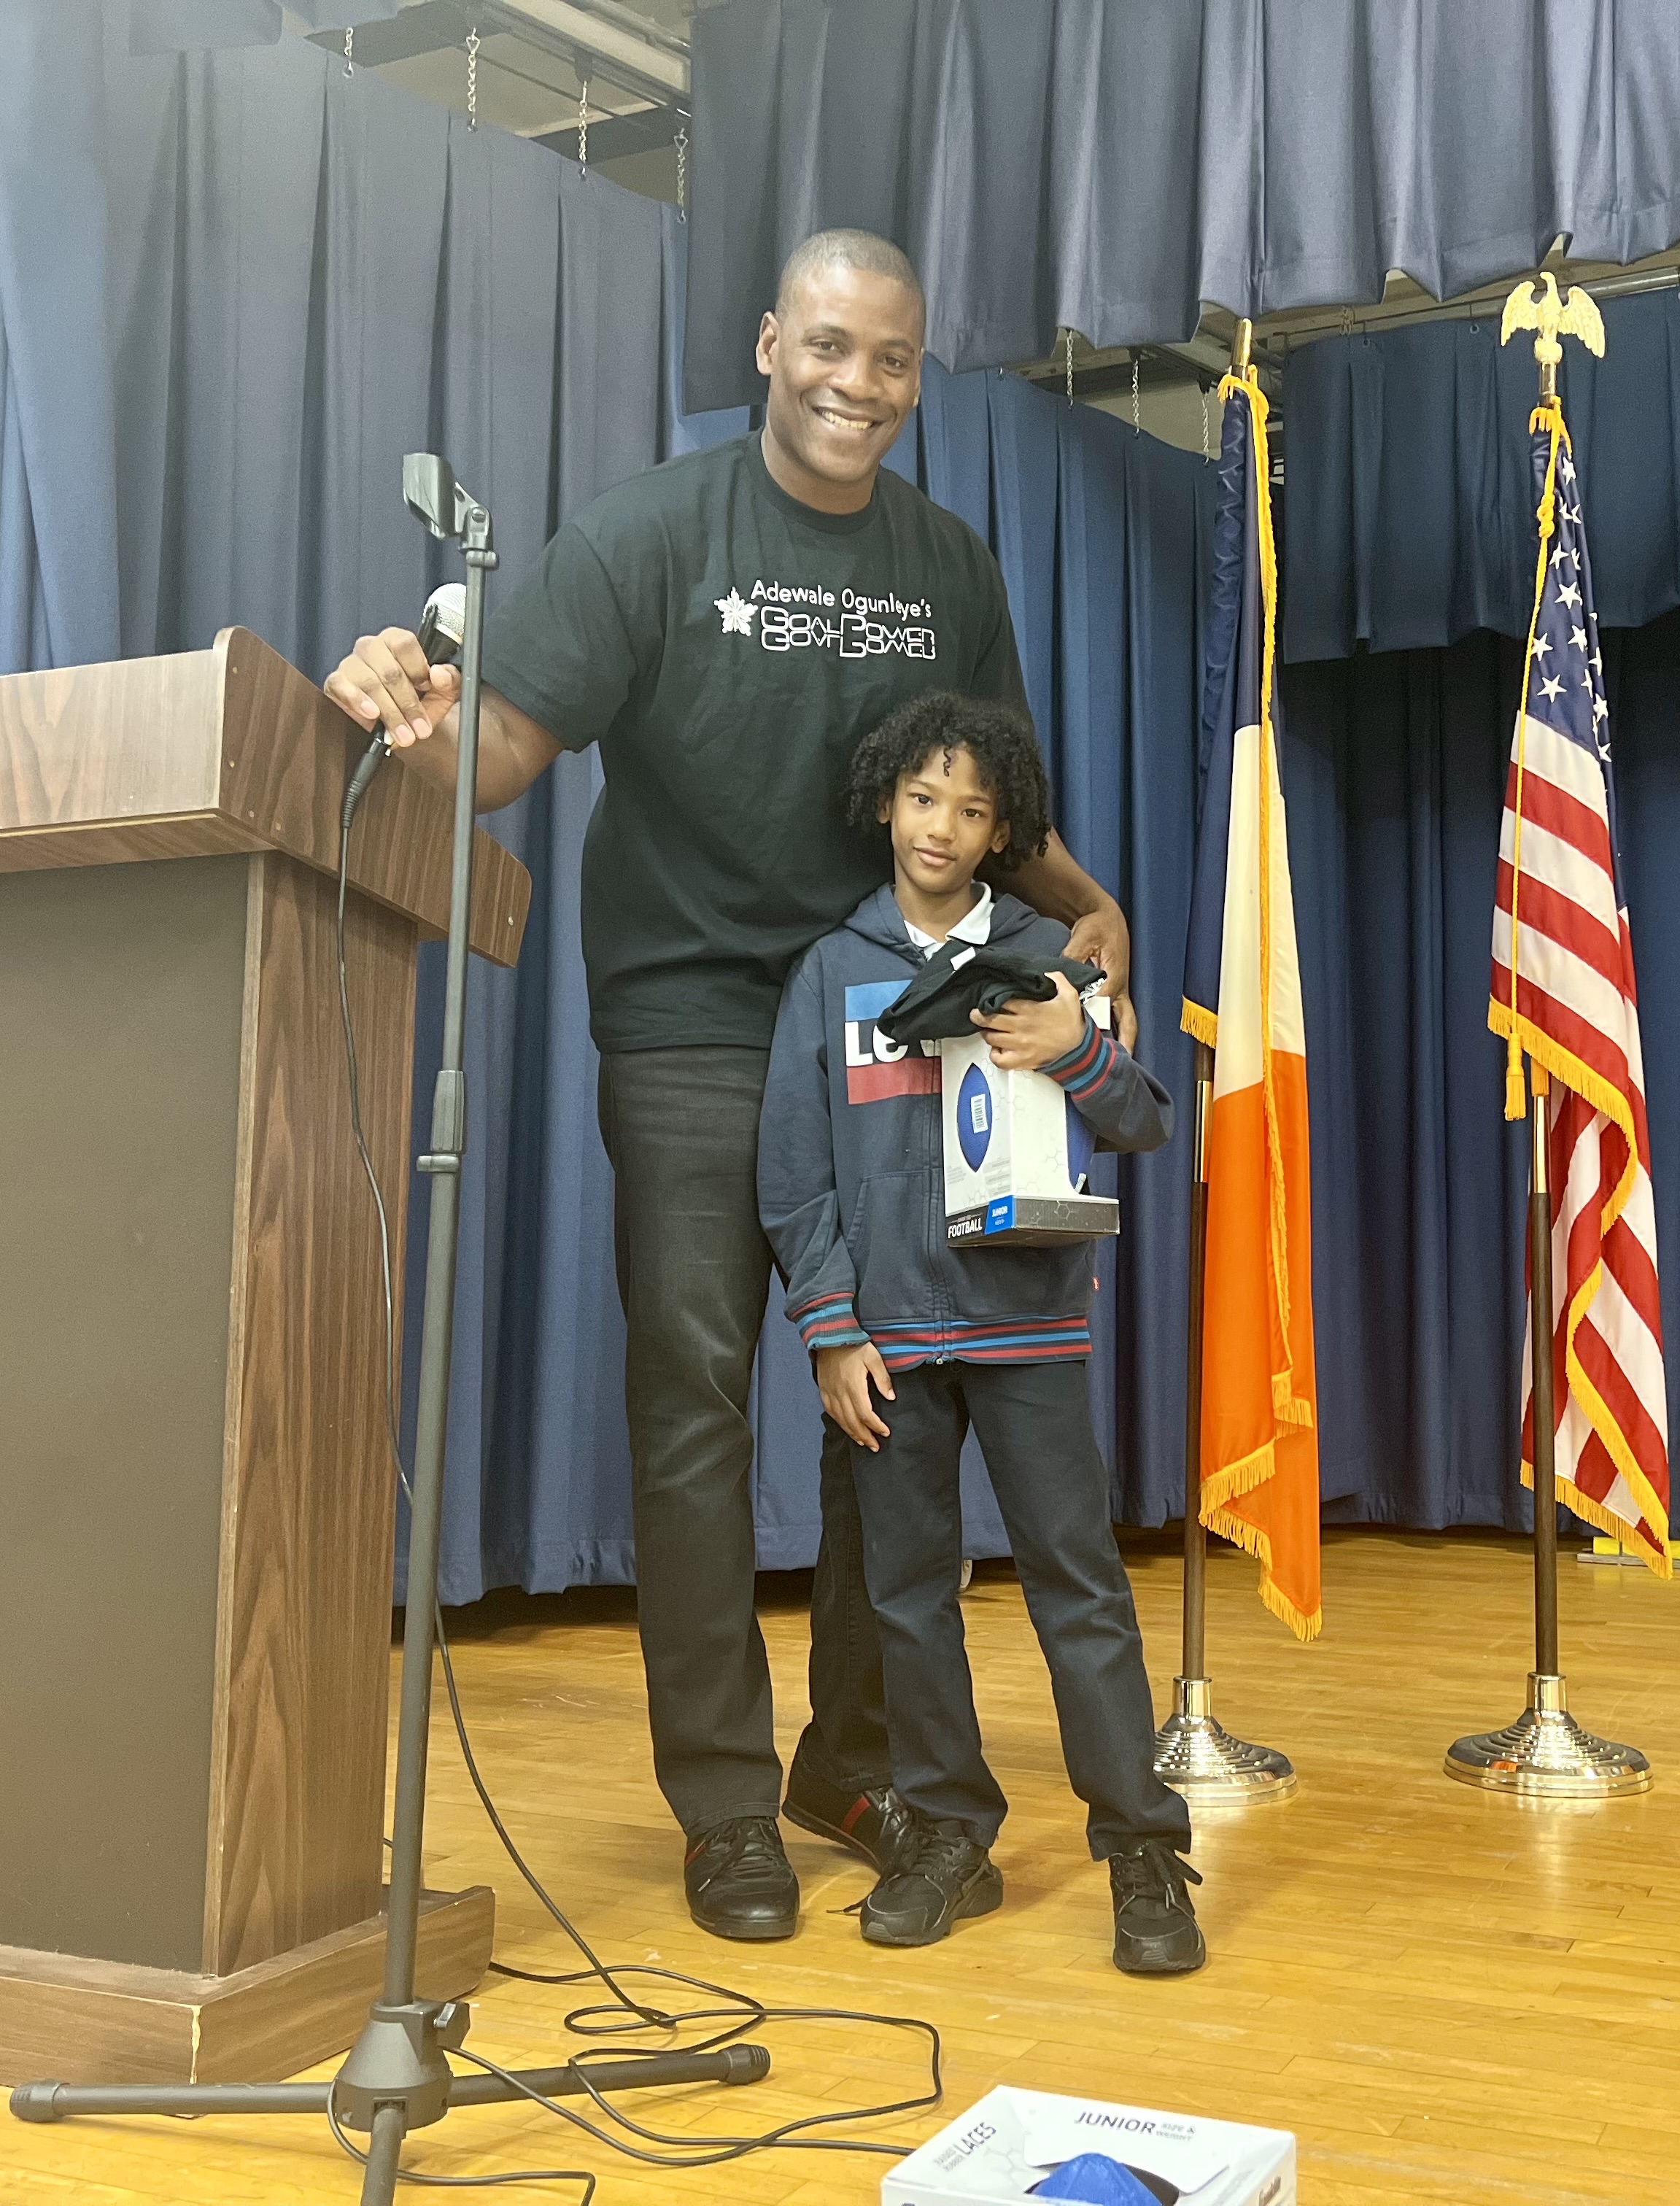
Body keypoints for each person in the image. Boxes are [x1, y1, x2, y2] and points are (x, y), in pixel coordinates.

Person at [322, 230, 1138, 1942]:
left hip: (886, 1025)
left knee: (889, 1394)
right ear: (771, 343)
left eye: (893, 359)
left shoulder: (947, 563)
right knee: (696, 1400)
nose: (857, 383)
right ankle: (717, 1805)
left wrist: (1087, 907)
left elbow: (987, 793)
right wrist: (396, 714)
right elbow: (508, 743)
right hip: (693, 1024)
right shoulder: (652, 532)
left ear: (918, 376)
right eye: (829, 345)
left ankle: (846, 1766)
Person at [756, 692, 1204, 1975]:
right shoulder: (834, 970)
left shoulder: (1055, 958)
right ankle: (949, 1836)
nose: (940, 828)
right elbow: (793, 1175)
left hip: (1028, 1339)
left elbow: (1142, 1120)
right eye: (920, 799)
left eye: (970, 808)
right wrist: (834, 1329)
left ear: (1003, 826)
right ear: (883, 804)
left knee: (1080, 1591)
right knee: (907, 1599)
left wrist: (1075, 1043)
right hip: (887, 1342)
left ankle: (1141, 1849)